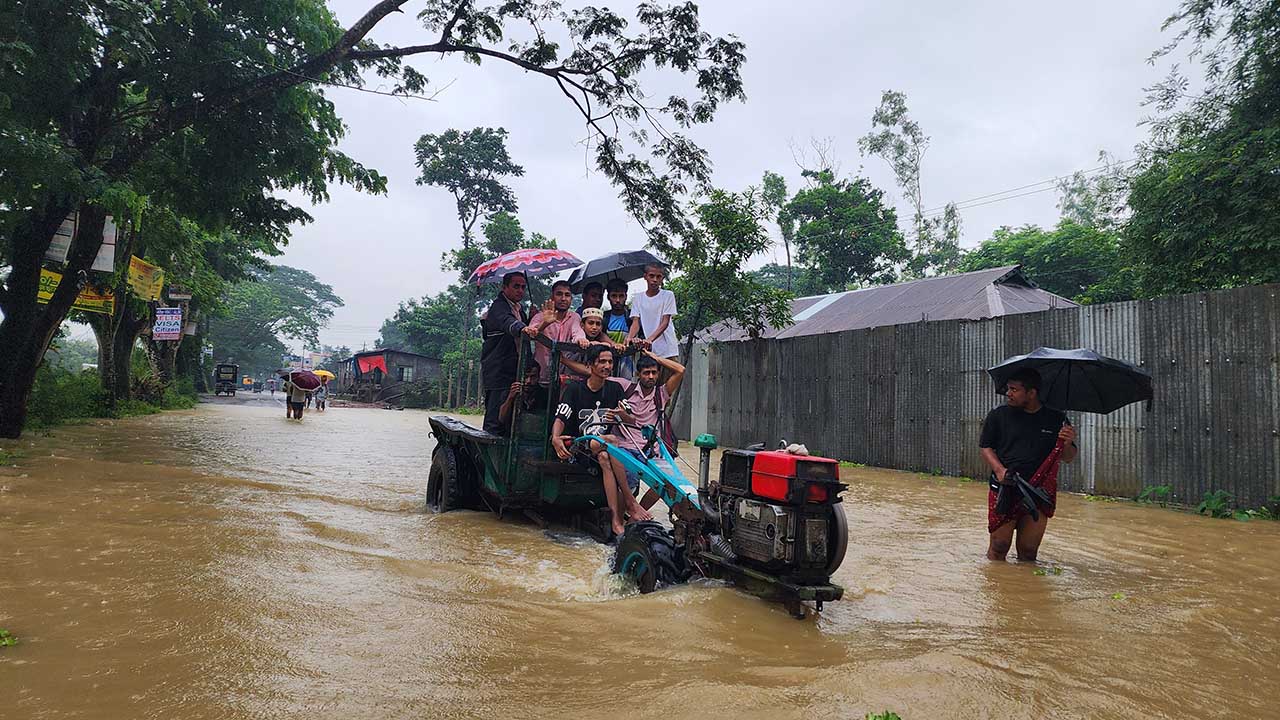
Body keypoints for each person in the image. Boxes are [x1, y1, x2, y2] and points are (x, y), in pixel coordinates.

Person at [551, 344, 653, 536]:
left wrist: (621, 415)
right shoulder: (574, 389)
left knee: (605, 456)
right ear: (590, 365)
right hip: (578, 446)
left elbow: (631, 419)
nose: (607, 366)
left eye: (610, 362)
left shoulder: (615, 389)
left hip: (601, 451)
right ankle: (631, 502)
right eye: (602, 362)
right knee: (612, 440)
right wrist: (555, 438)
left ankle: (615, 520)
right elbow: (561, 417)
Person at [980, 368, 1078, 561]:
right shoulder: (998, 415)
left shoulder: (1056, 419)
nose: (1008, 393)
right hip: (1005, 486)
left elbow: (1068, 457)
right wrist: (999, 470)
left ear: (1031, 393)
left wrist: (1067, 442)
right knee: (999, 546)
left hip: (1038, 491)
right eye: (1008, 388)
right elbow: (985, 446)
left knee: (1028, 551)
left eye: (1014, 389)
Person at [610, 351, 685, 509]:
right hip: (626, 446)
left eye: (654, 373)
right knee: (628, 482)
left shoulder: (661, 394)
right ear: (638, 374)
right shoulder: (626, 387)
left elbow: (680, 370)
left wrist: (656, 358)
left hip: (650, 449)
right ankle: (623, 516)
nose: (650, 376)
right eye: (646, 373)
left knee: (667, 483)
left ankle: (637, 514)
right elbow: (598, 375)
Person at [480, 271, 537, 434]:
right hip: (498, 370)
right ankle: (489, 447)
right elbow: (508, 323)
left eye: (523, 287)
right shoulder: (498, 307)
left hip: (514, 370)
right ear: (504, 287)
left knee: (511, 414)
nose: (520, 290)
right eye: (516, 286)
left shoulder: (519, 309)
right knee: (494, 417)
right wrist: (523, 327)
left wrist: (531, 319)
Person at [626, 264, 679, 384]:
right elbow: (636, 322)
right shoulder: (638, 298)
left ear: (662, 278)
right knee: (648, 386)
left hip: (667, 350)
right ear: (645, 277)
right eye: (651, 276)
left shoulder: (668, 295)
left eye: (658, 276)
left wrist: (650, 339)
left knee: (665, 389)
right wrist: (630, 337)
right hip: (649, 351)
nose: (655, 280)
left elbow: (665, 322)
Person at [528, 280, 587, 385]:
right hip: (542, 376)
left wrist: (581, 340)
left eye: (567, 295)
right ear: (552, 297)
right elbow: (530, 333)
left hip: (565, 378)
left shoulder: (574, 317)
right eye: (559, 294)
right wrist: (545, 323)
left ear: (571, 299)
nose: (563, 298)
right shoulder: (540, 316)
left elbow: (577, 333)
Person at [560, 307, 617, 381]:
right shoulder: (574, 340)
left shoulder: (602, 342)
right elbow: (589, 370)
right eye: (591, 323)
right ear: (582, 325)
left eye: (598, 324)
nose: (594, 327)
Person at [497, 361, 547, 430]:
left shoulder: (545, 395)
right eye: (525, 377)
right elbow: (501, 419)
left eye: (533, 377)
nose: (528, 381)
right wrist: (510, 398)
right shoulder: (509, 393)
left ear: (538, 377)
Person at [604, 278, 637, 380]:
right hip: (607, 362)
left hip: (627, 364)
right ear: (608, 297)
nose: (617, 300)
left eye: (621, 296)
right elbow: (600, 334)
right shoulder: (604, 317)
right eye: (614, 296)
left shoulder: (632, 317)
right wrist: (613, 344)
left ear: (626, 296)